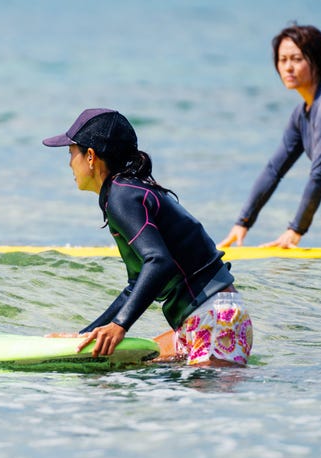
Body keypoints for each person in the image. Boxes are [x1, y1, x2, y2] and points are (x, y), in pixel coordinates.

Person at [42, 108, 253, 366]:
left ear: (90, 156)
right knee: (131, 367)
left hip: (214, 319)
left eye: (70, 153)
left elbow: (159, 262)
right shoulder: (125, 191)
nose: (68, 163)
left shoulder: (121, 196)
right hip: (210, 316)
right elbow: (136, 284)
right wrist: (85, 335)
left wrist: (120, 325)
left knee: (201, 405)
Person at [219, 24, 321, 249]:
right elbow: (274, 170)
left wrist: (296, 229)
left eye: (296, 59)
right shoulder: (301, 115)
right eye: (282, 60)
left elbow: (320, 172)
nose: (288, 67)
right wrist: (243, 222)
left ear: (317, 60)